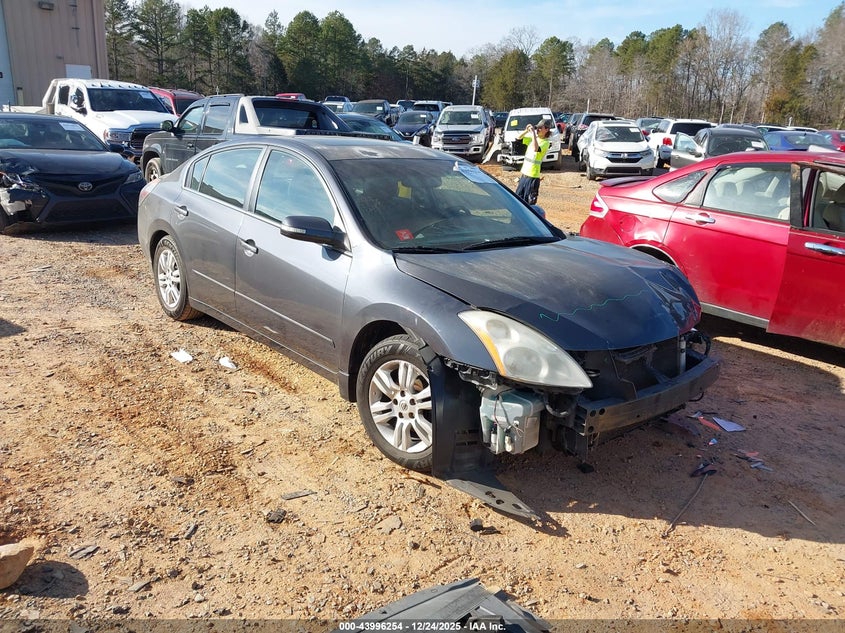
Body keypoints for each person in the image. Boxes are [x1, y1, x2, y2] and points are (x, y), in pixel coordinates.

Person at [515, 119, 552, 205]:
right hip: (524, 174)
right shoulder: (533, 139)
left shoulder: (545, 143)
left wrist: (533, 135)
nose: (538, 130)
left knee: (529, 203)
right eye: (537, 128)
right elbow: (518, 138)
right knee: (518, 199)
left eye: (540, 128)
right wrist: (526, 130)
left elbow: (536, 149)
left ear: (546, 130)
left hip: (533, 176)